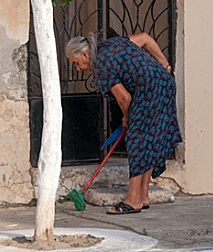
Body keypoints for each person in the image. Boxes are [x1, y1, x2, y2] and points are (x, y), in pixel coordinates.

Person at [66, 32, 182, 214]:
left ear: (85, 55)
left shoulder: (100, 65)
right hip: (164, 85)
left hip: (149, 93)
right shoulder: (112, 44)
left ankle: (133, 200)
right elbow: (144, 38)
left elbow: (125, 98)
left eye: (76, 63)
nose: (78, 68)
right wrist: (163, 64)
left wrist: (127, 118)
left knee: (137, 142)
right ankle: (143, 196)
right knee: (148, 141)